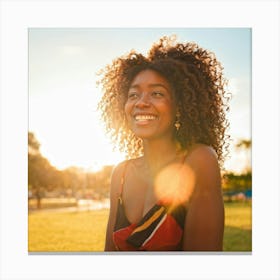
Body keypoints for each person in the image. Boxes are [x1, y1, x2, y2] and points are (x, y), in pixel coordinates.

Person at [98, 35, 230, 251]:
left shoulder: (199, 160)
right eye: (133, 94)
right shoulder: (120, 174)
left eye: (157, 93)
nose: (141, 103)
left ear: (180, 106)